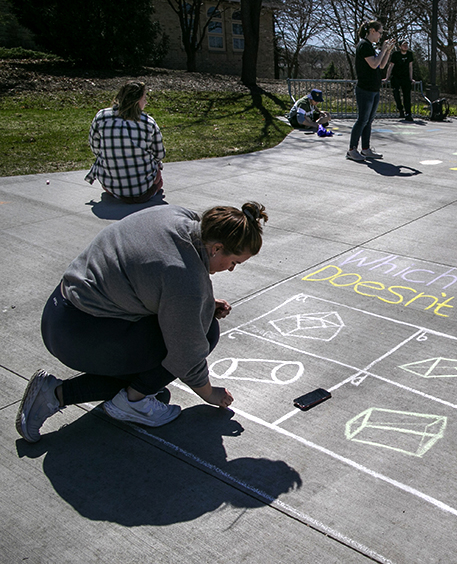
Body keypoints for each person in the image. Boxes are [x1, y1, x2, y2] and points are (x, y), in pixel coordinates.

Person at [15, 202, 268, 443]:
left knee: (159, 375)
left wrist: (201, 304)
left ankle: (136, 392)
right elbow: (186, 356)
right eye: (234, 262)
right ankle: (64, 395)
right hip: (78, 334)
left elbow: (154, 275)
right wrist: (209, 393)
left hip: (61, 308)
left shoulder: (180, 218)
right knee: (204, 333)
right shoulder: (186, 280)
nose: (232, 269)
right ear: (216, 247)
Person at [86, 80, 165, 204]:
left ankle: (117, 191)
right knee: (159, 176)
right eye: (144, 98)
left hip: (112, 185)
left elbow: (96, 148)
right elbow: (159, 154)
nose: (146, 102)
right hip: (143, 186)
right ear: (137, 100)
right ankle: (147, 191)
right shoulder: (148, 122)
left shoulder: (101, 117)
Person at [347, 20, 395, 162]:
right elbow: (374, 64)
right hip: (365, 89)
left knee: (368, 121)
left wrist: (387, 51)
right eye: (380, 32)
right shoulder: (364, 46)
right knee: (362, 120)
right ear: (372, 31)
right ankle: (351, 149)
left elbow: (381, 65)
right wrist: (382, 50)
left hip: (374, 89)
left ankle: (366, 149)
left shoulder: (371, 47)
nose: (380, 36)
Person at [386, 40, 415, 122]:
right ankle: (400, 109)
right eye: (403, 45)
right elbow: (390, 66)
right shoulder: (395, 55)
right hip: (396, 77)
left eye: (406, 45)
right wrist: (387, 77)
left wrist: (411, 78)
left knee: (407, 96)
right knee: (396, 93)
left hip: (405, 78)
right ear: (400, 47)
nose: (405, 46)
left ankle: (408, 113)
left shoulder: (409, 54)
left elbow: (410, 67)